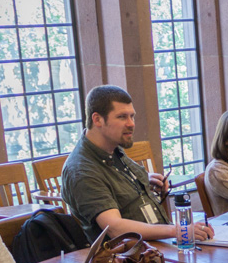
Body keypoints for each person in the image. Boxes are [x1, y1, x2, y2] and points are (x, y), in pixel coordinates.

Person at [61, 84, 213, 243]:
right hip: (130, 259)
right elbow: (114, 228)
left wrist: (145, 181)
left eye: (132, 116)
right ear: (97, 119)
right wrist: (178, 230)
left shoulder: (113, 149)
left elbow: (117, 183)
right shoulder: (82, 170)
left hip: (160, 245)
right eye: (122, 117)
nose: (131, 123)